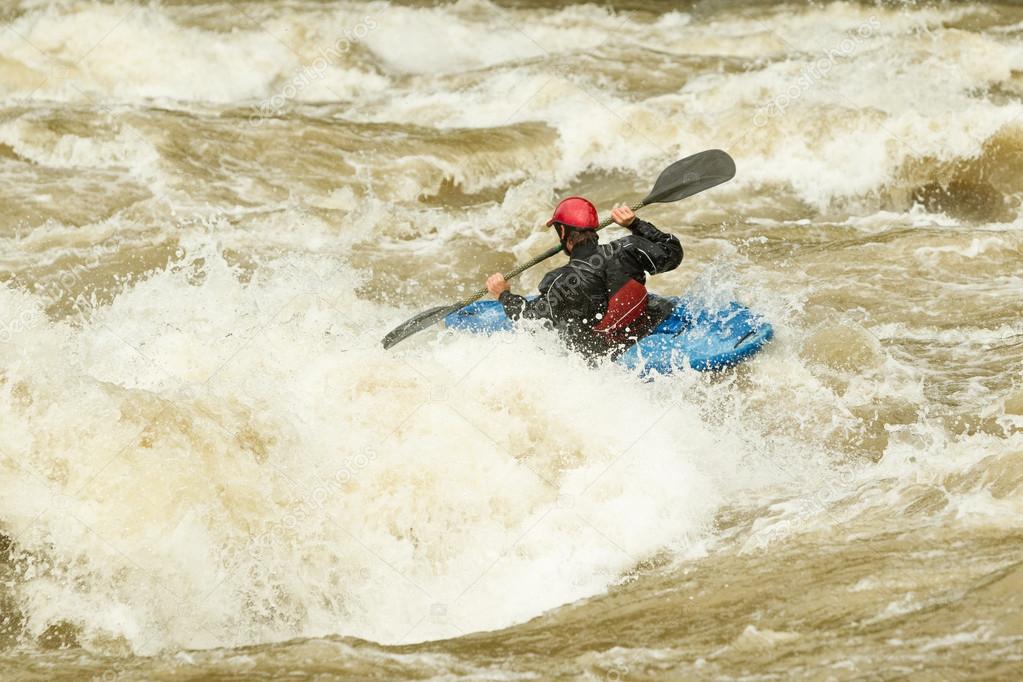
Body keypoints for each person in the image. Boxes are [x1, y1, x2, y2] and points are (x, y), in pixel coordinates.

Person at [485, 196, 683, 357]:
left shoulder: (560, 282)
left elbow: (527, 317)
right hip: (645, 323)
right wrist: (636, 224)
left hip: (604, 354)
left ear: (562, 231)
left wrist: (503, 294)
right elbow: (672, 253)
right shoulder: (629, 247)